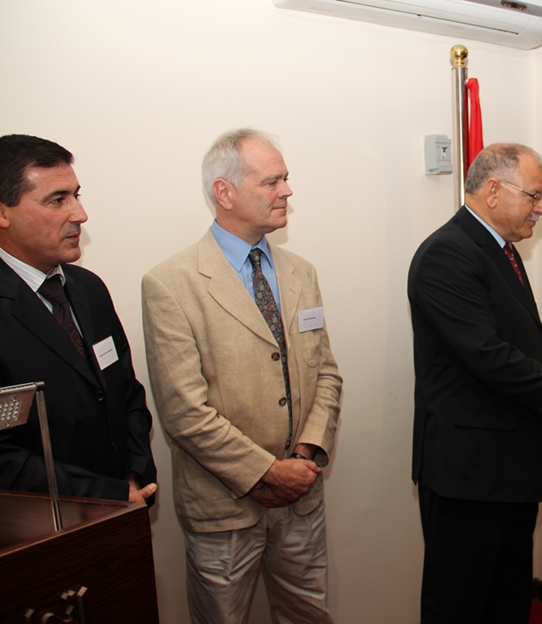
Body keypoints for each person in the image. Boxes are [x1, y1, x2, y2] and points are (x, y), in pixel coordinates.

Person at [408, 142, 542, 624]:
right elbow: (490, 359)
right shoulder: (447, 254)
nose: (541, 209)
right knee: (460, 608)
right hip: (470, 476)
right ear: (493, 191)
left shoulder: (499, 248)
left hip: (511, 467)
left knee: (507, 601)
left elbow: (514, 335)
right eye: (535, 196)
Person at [142, 129, 342, 624]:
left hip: (302, 497)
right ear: (224, 192)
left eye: (285, 179)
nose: (287, 191)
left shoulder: (300, 273)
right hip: (224, 508)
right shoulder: (170, 284)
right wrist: (266, 472)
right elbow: (183, 412)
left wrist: (303, 457)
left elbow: (326, 374)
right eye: (271, 181)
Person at [0, 134, 157, 505]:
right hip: (45, 525)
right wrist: (110, 494)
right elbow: (5, 458)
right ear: (3, 213)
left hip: (125, 504)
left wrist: (133, 474)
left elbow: (126, 392)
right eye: (57, 200)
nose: (80, 215)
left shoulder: (88, 288)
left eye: (76, 195)